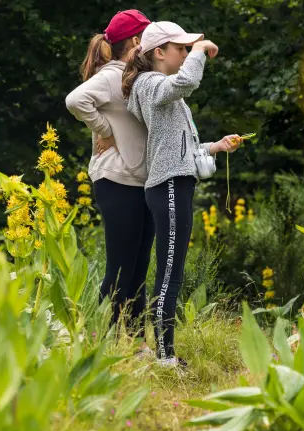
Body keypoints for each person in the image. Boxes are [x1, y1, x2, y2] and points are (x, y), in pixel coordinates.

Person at [122, 21, 242, 367]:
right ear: (159, 53)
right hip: (169, 187)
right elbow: (187, 81)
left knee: (170, 269)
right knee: (170, 271)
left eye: (189, 49)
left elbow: (179, 146)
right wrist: (202, 50)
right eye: (182, 49)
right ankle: (164, 357)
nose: (187, 54)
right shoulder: (150, 85)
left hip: (175, 184)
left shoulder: (161, 91)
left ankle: (165, 352)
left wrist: (215, 147)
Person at [65, 10, 154, 353]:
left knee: (138, 266)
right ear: (135, 42)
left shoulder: (138, 77)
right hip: (116, 180)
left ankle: (133, 342)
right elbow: (75, 100)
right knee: (121, 266)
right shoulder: (111, 75)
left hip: (140, 180)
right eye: (147, 37)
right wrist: (107, 131)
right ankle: (104, 343)